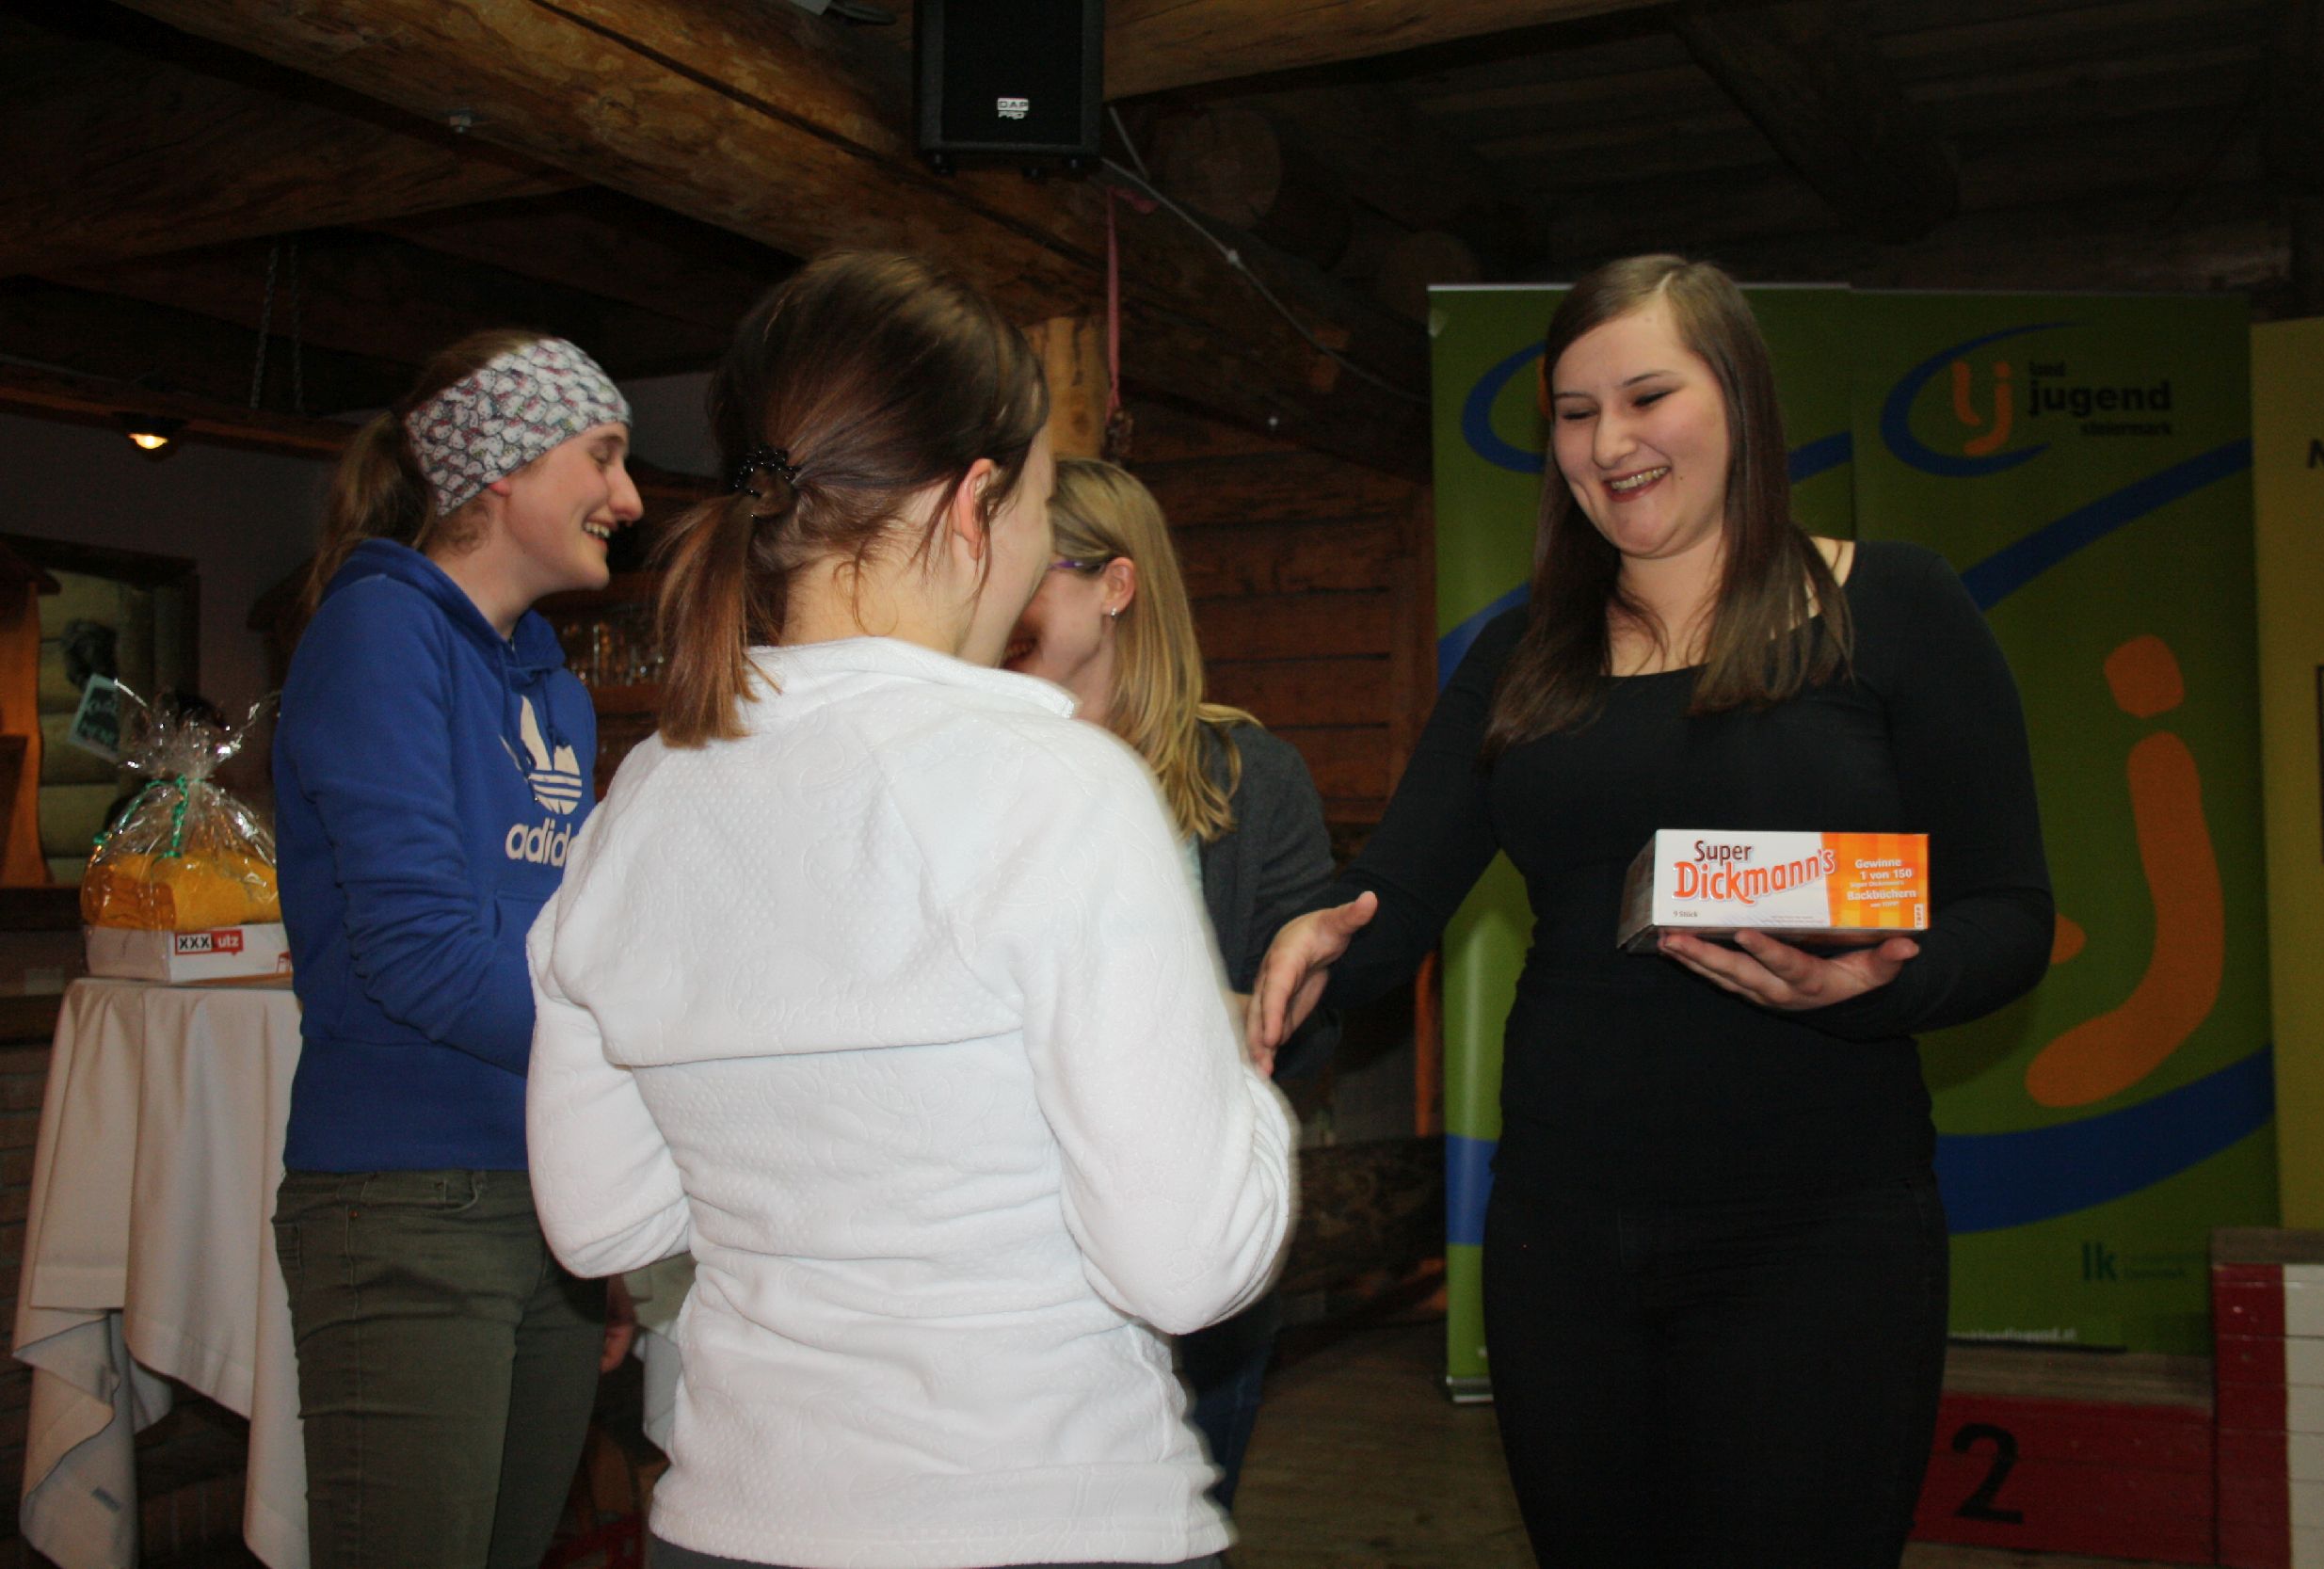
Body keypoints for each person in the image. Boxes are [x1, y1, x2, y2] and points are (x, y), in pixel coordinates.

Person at [1249, 254, 2053, 1568]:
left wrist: (1883, 985)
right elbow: (1389, 896)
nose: (1609, 441)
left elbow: (2008, 910)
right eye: (1575, 412)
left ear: (1738, 396)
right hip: (1561, 1235)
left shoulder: (1895, 605)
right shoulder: (1521, 654)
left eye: (1646, 396)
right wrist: (1303, 937)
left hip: (1821, 1230)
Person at [523, 251, 1296, 1569]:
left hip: (734, 1523)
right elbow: (1186, 1261)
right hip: (1041, 1517)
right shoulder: (1057, 782)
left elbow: (603, 1217)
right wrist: (1238, 1082)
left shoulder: (641, 799)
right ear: (972, 503)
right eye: (1040, 504)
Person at [271, 333, 644, 1569]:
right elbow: (419, 954)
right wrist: (642, 1064)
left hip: (544, 1196)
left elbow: (574, 947)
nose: (628, 497)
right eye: (603, 456)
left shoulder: (555, 690)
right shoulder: (378, 632)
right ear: (501, 467)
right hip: (408, 1201)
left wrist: (602, 1207)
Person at [1003, 457, 1338, 1512]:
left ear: (1117, 584)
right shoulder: (972, 760)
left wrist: (1261, 1013)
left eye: (1033, 568)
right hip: (1008, 1254)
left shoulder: (1252, 775)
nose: (1001, 594)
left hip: (1190, 1252)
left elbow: (1310, 1031)